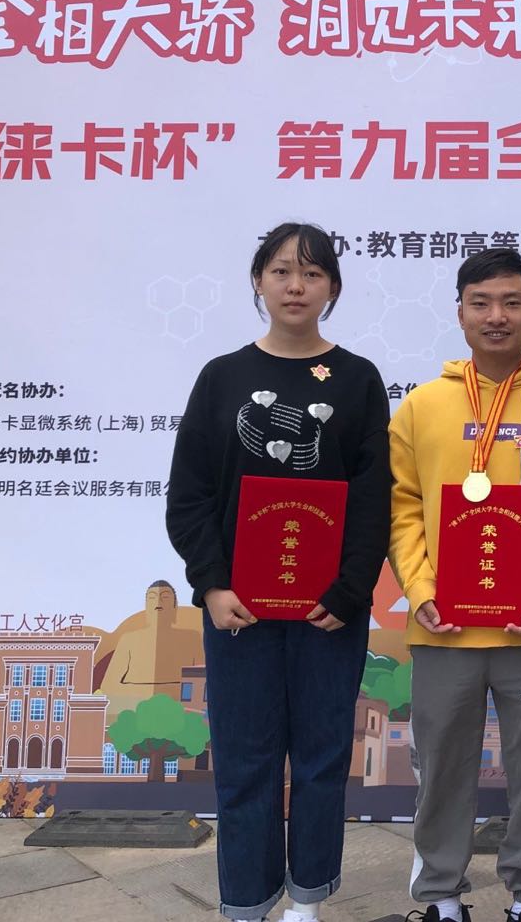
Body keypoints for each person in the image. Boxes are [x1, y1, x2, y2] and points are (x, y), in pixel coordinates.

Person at [166, 222, 391, 922]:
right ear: (259, 281)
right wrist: (211, 584)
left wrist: (351, 590)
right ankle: (246, 900)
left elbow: (374, 498)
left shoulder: (357, 379)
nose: (297, 286)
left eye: (313, 273)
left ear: (333, 288)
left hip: (330, 612)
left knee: (322, 758)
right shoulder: (223, 377)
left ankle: (308, 899)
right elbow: (189, 495)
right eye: (283, 271)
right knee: (245, 762)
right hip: (239, 609)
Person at [390, 248, 521, 922]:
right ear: (459, 313)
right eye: (480, 302)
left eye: (512, 302)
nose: (497, 316)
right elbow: (400, 508)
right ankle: (441, 897)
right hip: (443, 627)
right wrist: (421, 590)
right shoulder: (420, 408)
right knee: (440, 769)